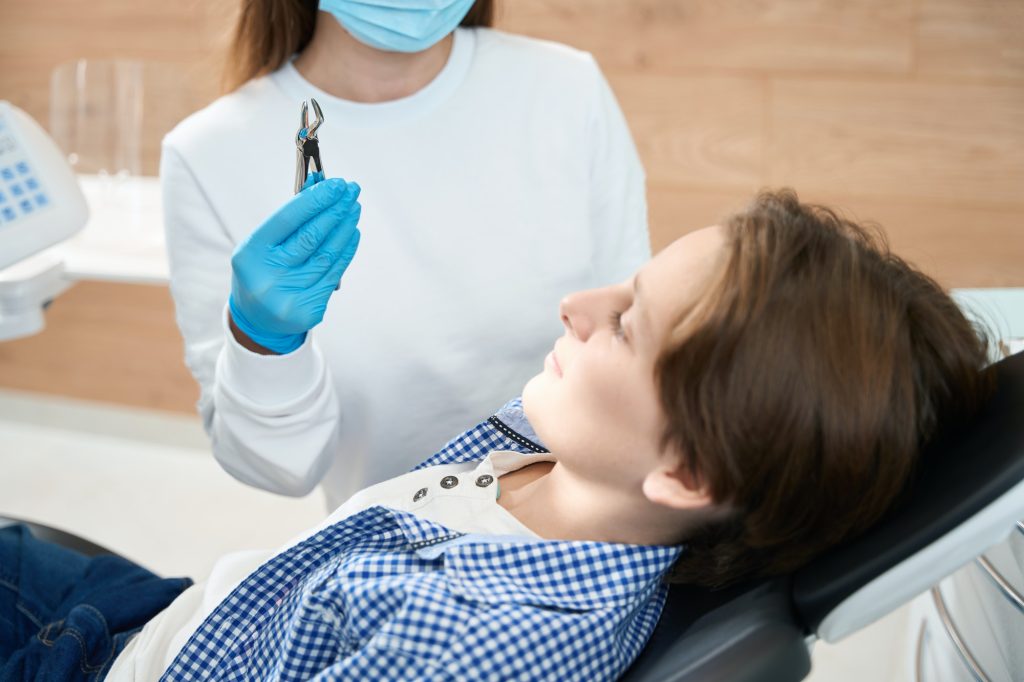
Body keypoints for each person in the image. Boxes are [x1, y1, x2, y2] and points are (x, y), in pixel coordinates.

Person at [1, 191, 991, 681]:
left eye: (628, 321)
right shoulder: (573, 464)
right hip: (182, 613)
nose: (574, 306)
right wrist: (266, 340)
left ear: (687, 469)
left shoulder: (482, 643)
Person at [161, 0, 651, 510]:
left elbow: (649, 363)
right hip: (390, 553)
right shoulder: (207, 154)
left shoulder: (566, 88)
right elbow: (281, 471)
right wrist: (261, 342)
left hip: (596, 529)